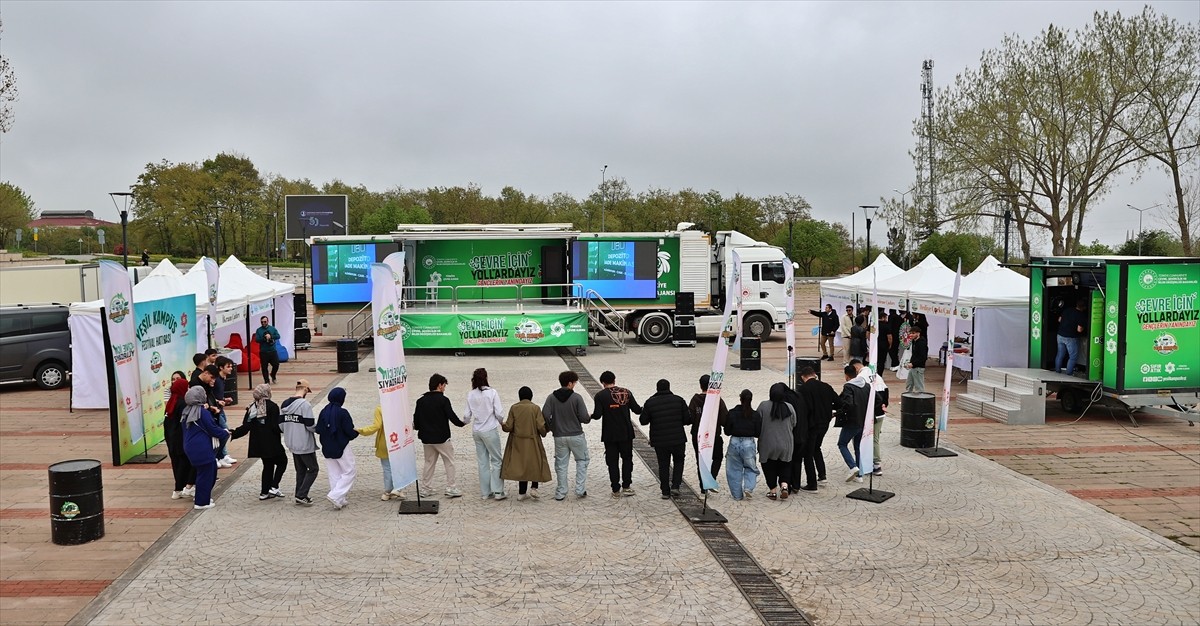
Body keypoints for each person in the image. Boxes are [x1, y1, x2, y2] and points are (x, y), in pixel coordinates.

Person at [230, 384, 288, 501]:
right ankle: (274, 486)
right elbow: (275, 427)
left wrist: (234, 433)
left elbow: (246, 426)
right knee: (283, 461)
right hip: (272, 443)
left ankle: (264, 492)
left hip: (259, 444)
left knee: (267, 465)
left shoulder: (252, 407)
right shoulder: (272, 407)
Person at [413, 373, 466, 498]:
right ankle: (451, 487)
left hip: (426, 439)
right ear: (439, 385)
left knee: (429, 462)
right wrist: (462, 423)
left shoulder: (420, 401)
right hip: (442, 439)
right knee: (449, 461)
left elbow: (417, 421)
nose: (444, 388)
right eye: (444, 385)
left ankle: (426, 488)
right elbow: (451, 416)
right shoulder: (443, 400)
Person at [591, 370, 642, 498]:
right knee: (627, 459)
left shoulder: (600, 396)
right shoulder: (626, 392)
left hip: (610, 434)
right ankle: (626, 485)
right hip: (626, 432)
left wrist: (588, 416)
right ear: (614, 379)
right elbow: (636, 409)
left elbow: (597, 415)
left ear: (602, 382)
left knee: (612, 461)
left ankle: (615, 488)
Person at [543, 370, 592, 501]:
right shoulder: (577, 398)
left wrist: (553, 426)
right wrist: (589, 417)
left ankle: (561, 491)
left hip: (559, 436)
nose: (575, 385)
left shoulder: (551, 397)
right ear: (570, 383)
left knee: (561, 464)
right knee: (582, 460)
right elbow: (584, 418)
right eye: (574, 382)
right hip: (576, 435)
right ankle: (580, 490)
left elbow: (545, 414)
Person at [639, 379, 691, 499]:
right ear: (669, 387)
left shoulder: (650, 402)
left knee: (663, 465)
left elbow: (643, 421)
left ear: (657, 388)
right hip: (678, 438)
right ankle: (676, 486)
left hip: (660, 441)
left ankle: (665, 491)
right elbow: (687, 420)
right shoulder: (679, 400)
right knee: (679, 461)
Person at [181, 386, 229, 510]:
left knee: (209, 470)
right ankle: (201, 502)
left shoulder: (186, 411)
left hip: (191, 447)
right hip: (201, 448)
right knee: (205, 474)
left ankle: (203, 496)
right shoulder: (202, 412)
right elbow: (212, 429)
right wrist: (225, 433)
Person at [500, 386, 552, 500]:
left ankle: (522, 492)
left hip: (518, 441)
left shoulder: (514, 408)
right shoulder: (535, 408)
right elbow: (540, 426)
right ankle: (534, 487)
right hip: (533, 440)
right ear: (531, 396)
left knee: (521, 465)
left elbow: (508, 426)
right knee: (535, 463)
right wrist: (545, 431)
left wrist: (502, 424)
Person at [464, 368, 506, 500]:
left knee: (482, 461)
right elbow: (499, 413)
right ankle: (498, 491)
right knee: (496, 460)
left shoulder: (471, 394)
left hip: (477, 431)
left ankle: (485, 492)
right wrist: (501, 422)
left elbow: (466, 415)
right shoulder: (492, 393)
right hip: (490, 429)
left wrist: (465, 422)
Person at [315, 387, 358, 510]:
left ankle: (339, 500)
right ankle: (335, 495)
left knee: (334, 473)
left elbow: (318, 429)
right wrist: (356, 433)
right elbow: (349, 431)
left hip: (327, 447)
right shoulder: (342, 412)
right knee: (349, 471)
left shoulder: (324, 411)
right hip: (341, 446)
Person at [796, 365, 838, 485]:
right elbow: (839, 403)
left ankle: (812, 483)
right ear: (814, 374)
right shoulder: (826, 386)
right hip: (824, 424)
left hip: (811, 425)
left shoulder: (803, 389)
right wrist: (830, 409)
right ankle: (822, 475)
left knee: (808, 453)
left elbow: (803, 408)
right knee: (816, 448)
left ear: (803, 377)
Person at [280, 379, 320, 506]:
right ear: (306, 389)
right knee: (313, 469)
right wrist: (320, 429)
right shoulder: (305, 405)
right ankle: (301, 494)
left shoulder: (284, 404)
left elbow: (281, 425)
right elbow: (309, 425)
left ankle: (299, 494)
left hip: (291, 442)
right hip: (304, 442)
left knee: (300, 470)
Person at [687, 374, 727, 494]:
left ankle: (703, 485)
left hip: (698, 435)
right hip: (714, 434)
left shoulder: (695, 400)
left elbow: (690, 418)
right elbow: (725, 419)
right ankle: (711, 478)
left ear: (700, 385)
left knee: (701, 460)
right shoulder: (717, 400)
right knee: (717, 457)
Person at [357, 406, 405, 501]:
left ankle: (387, 492)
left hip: (385, 441)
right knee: (398, 466)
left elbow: (377, 425)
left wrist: (362, 431)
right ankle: (398, 488)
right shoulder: (399, 406)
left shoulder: (380, 408)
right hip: (398, 441)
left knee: (387, 468)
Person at [757, 382, 797, 500]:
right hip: (786, 442)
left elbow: (757, 422)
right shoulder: (789, 407)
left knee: (768, 465)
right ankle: (784, 485)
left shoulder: (763, 406)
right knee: (785, 464)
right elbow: (794, 423)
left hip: (767, 443)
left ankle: (773, 491)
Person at [723, 389, 762, 500]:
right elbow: (758, 432)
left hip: (734, 441)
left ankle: (737, 495)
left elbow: (727, 431)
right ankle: (748, 488)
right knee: (750, 467)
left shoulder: (732, 413)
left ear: (740, 398)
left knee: (733, 469)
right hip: (748, 442)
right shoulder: (755, 415)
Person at [164, 371, 195, 500]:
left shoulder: (172, 400)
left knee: (178, 462)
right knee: (185, 463)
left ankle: (180, 488)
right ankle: (182, 488)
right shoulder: (182, 403)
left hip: (172, 437)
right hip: (180, 437)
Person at [838, 364, 871, 483]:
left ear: (846, 376)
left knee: (842, 444)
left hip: (852, 421)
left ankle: (853, 467)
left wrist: (838, 413)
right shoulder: (867, 386)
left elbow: (848, 403)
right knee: (858, 446)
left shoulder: (848, 387)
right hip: (864, 421)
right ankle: (859, 475)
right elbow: (876, 399)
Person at [213, 356, 237, 468]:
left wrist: (224, 399)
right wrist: (218, 401)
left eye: (231, 366)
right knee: (225, 432)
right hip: (215, 411)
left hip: (220, 409)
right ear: (221, 367)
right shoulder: (217, 380)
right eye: (228, 367)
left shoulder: (223, 379)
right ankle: (217, 456)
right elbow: (211, 395)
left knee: (223, 432)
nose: (231, 369)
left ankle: (222, 455)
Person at [1055, 299, 1087, 376]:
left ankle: (1057, 371)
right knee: (1073, 357)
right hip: (1070, 337)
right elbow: (1079, 330)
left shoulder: (1067, 310)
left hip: (1060, 335)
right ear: (1084, 307)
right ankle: (1069, 374)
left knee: (1060, 354)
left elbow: (1059, 320)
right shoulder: (1081, 315)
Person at [870, 372, 889, 477]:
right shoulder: (880, 380)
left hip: (872, 415)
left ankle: (876, 464)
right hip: (880, 415)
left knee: (873, 439)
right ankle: (875, 463)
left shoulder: (866, 380)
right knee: (875, 438)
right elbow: (885, 400)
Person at [255, 315, 281, 385]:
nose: (263, 323)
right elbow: (257, 339)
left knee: (276, 365)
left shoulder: (272, 328)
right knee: (264, 367)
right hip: (264, 351)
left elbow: (278, 336)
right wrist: (264, 338)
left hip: (272, 350)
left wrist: (271, 336)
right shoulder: (259, 330)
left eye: (265, 322)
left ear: (267, 321)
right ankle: (266, 381)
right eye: (262, 322)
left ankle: (273, 374)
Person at [905, 326, 928, 393]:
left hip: (918, 368)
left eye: (913, 333)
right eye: (910, 333)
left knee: (919, 386)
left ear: (918, 333)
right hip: (913, 367)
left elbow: (923, 357)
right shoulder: (914, 342)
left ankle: (921, 400)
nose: (911, 335)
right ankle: (907, 399)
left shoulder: (921, 343)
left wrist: (913, 363)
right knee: (909, 384)